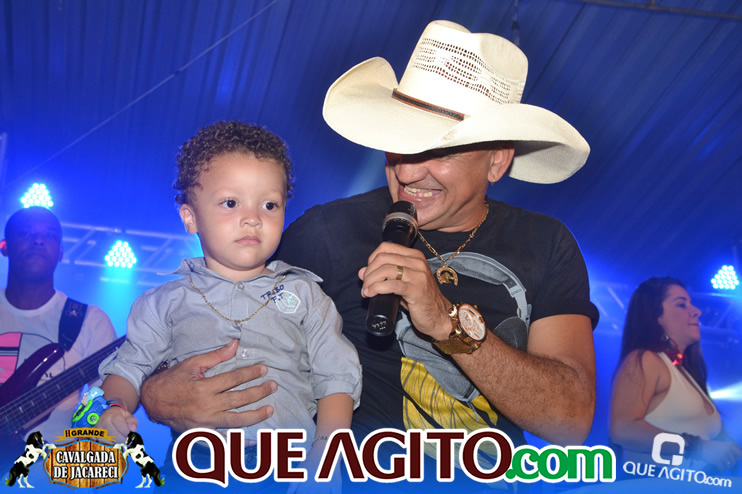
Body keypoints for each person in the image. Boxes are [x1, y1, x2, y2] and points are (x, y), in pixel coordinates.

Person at [141, 20, 598, 473]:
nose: (408, 172)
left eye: (440, 151)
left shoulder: (546, 243)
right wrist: (156, 392)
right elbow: (200, 317)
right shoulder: (327, 231)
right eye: (402, 143)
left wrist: (447, 322)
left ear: (497, 161)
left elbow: (570, 422)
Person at [96, 121, 361, 473]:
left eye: (269, 205)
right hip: (195, 465)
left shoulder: (307, 295)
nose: (252, 219)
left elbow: (337, 378)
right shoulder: (164, 302)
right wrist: (114, 408)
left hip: (288, 464)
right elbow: (128, 368)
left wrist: (327, 457)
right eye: (231, 203)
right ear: (190, 218)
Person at [0, 206, 117, 443]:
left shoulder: (90, 321)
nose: (38, 240)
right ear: (4, 247)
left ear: (61, 252)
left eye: (50, 235)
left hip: (50, 464)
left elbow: (111, 395)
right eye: (26, 233)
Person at [610, 277, 742, 473]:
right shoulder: (645, 360)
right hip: (651, 484)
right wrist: (696, 447)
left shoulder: (685, 372)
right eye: (681, 304)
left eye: (691, 303)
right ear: (656, 316)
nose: (696, 311)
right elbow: (623, 430)